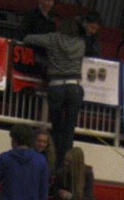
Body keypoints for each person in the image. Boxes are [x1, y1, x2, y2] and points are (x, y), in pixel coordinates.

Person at [23, 11, 101, 169]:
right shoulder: (81, 43)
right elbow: (94, 50)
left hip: (56, 86)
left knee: (57, 128)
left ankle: (54, 163)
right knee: (69, 129)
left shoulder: (53, 38)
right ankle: (66, 165)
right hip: (74, 87)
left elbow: (28, 39)